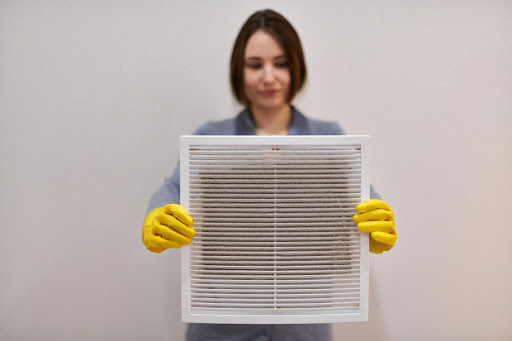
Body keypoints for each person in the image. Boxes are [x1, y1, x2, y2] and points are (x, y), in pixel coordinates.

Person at [142, 9, 397, 341]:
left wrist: (375, 220)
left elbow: (363, 197)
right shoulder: (212, 139)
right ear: (239, 70)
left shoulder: (328, 139)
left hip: (304, 328)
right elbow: (173, 189)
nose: (268, 77)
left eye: (281, 63)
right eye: (255, 65)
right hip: (222, 327)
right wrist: (156, 214)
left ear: (296, 67)